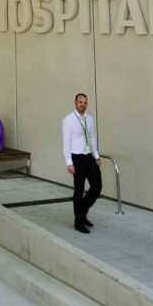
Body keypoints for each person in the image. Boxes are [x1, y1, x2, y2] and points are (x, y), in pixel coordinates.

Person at [63, 93, 102, 234]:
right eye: (80, 102)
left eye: (85, 102)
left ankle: (82, 211)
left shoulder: (89, 119)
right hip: (77, 158)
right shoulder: (68, 120)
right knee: (79, 190)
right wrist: (69, 162)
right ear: (75, 102)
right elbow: (66, 143)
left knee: (97, 187)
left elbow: (92, 138)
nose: (83, 104)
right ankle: (78, 222)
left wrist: (96, 156)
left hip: (89, 157)